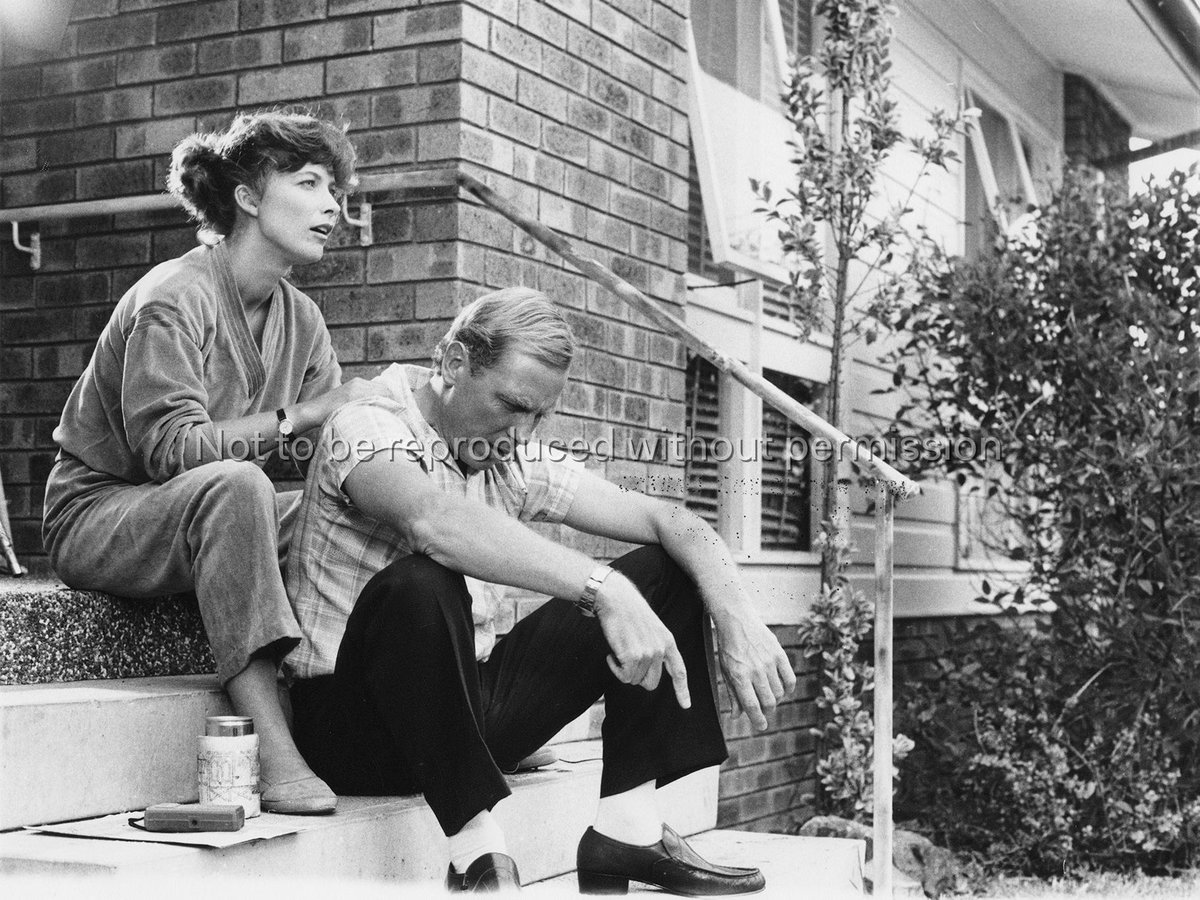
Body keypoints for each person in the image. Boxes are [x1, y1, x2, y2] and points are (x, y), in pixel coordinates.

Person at [284, 288, 798, 892]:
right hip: (352, 728)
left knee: (663, 571)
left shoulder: (509, 455)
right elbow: (432, 523)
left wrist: (736, 615)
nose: (519, 433)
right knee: (422, 580)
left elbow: (671, 520)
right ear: (454, 364)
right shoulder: (367, 422)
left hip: (466, 711)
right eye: (511, 405)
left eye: (538, 417)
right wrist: (602, 587)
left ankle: (626, 831)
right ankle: (478, 857)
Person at [42, 110, 388, 815]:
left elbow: (330, 457)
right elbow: (171, 452)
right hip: (100, 513)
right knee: (238, 486)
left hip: (207, 516)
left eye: (336, 190)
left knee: (353, 512)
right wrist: (301, 415)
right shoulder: (174, 296)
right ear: (248, 196)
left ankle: (422, 703)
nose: (332, 206)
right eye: (310, 183)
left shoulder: (302, 319)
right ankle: (273, 743)